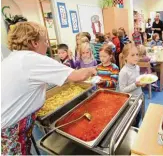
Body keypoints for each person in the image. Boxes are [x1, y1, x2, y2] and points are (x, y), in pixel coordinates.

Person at [1, 22, 97, 155]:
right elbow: (77, 76)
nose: (47, 45)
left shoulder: (13, 58)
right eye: (45, 40)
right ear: (34, 43)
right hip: (9, 129)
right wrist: (92, 69)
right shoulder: (31, 59)